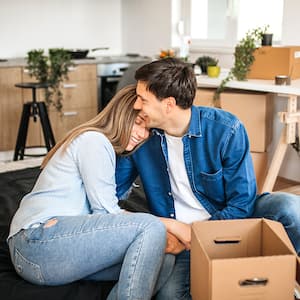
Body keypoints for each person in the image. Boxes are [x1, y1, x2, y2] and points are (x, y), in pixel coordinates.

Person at [116, 58, 300, 300]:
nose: (136, 105)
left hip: (231, 224)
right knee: (169, 296)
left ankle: (286, 279)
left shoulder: (226, 130)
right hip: (180, 240)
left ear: (168, 104)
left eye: (143, 99)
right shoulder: (142, 137)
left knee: (290, 208)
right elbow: (112, 192)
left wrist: (196, 234)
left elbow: (241, 204)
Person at [7, 85, 190, 300]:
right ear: (121, 115)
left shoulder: (107, 150)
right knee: (150, 226)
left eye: (148, 129)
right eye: (139, 122)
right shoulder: (94, 140)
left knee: (161, 258)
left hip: (52, 251)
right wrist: (173, 225)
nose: (143, 134)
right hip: (35, 243)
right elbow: (106, 213)